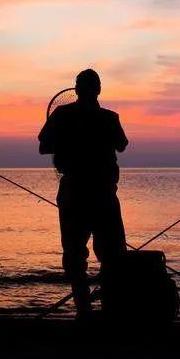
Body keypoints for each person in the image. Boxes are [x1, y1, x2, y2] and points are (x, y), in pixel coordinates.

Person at [38, 69, 128, 319]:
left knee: (75, 256)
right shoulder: (110, 118)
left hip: (74, 195)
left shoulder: (62, 116)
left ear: (76, 90)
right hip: (103, 196)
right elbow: (122, 144)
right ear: (98, 89)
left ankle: (84, 311)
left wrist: (68, 142)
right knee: (112, 255)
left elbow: (43, 147)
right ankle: (110, 312)